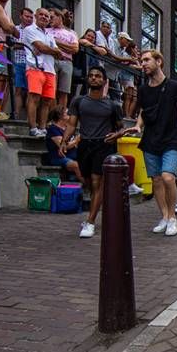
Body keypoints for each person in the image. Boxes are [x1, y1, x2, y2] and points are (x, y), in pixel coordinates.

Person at [60, 66, 126, 238]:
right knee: (88, 180)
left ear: (104, 81)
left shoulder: (112, 105)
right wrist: (64, 141)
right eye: (91, 76)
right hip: (85, 145)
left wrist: (116, 135)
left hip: (103, 145)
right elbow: (72, 124)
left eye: (98, 76)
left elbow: (121, 128)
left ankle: (90, 222)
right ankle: (99, 207)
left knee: (97, 182)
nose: (94, 78)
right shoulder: (78, 101)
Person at [125, 50, 177, 237]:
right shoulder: (143, 89)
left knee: (168, 177)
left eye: (147, 60)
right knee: (156, 180)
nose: (143, 64)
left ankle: (173, 217)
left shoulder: (175, 86)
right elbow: (143, 112)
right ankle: (164, 217)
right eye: (142, 61)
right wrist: (137, 126)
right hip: (150, 139)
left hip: (171, 138)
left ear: (159, 61)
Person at [23, 8, 61, 136]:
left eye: (47, 16)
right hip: (35, 67)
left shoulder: (49, 35)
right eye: (42, 15)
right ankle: (33, 128)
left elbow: (58, 53)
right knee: (34, 98)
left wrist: (47, 49)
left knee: (47, 101)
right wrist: (50, 50)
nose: (44, 17)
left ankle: (43, 127)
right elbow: (41, 47)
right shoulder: (29, 30)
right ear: (35, 16)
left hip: (50, 70)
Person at [46, 9, 78, 109]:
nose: (49, 20)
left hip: (67, 62)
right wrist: (67, 46)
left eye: (52, 17)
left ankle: (60, 117)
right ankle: (52, 116)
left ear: (60, 17)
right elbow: (45, 45)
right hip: (51, 60)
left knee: (64, 91)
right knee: (52, 90)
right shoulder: (46, 31)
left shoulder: (71, 34)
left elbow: (75, 49)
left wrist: (56, 42)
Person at [45, 106, 83, 183]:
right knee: (76, 165)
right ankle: (90, 187)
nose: (70, 114)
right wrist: (76, 140)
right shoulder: (53, 129)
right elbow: (64, 147)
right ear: (60, 116)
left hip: (72, 156)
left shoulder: (67, 129)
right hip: (58, 157)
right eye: (67, 113)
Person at [12, 8, 34, 119]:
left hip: (32, 65)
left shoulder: (35, 31)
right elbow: (11, 45)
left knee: (31, 91)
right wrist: (25, 45)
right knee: (19, 89)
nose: (29, 19)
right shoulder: (15, 29)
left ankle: (28, 116)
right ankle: (17, 114)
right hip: (18, 62)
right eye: (27, 16)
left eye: (31, 17)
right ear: (21, 16)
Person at [115, 32, 140, 119]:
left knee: (132, 97)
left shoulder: (131, 56)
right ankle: (127, 115)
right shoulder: (125, 54)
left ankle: (128, 115)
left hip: (130, 78)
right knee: (128, 96)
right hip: (126, 76)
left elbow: (137, 65)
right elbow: (128, 65)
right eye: (135, 49)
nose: (136, 51)